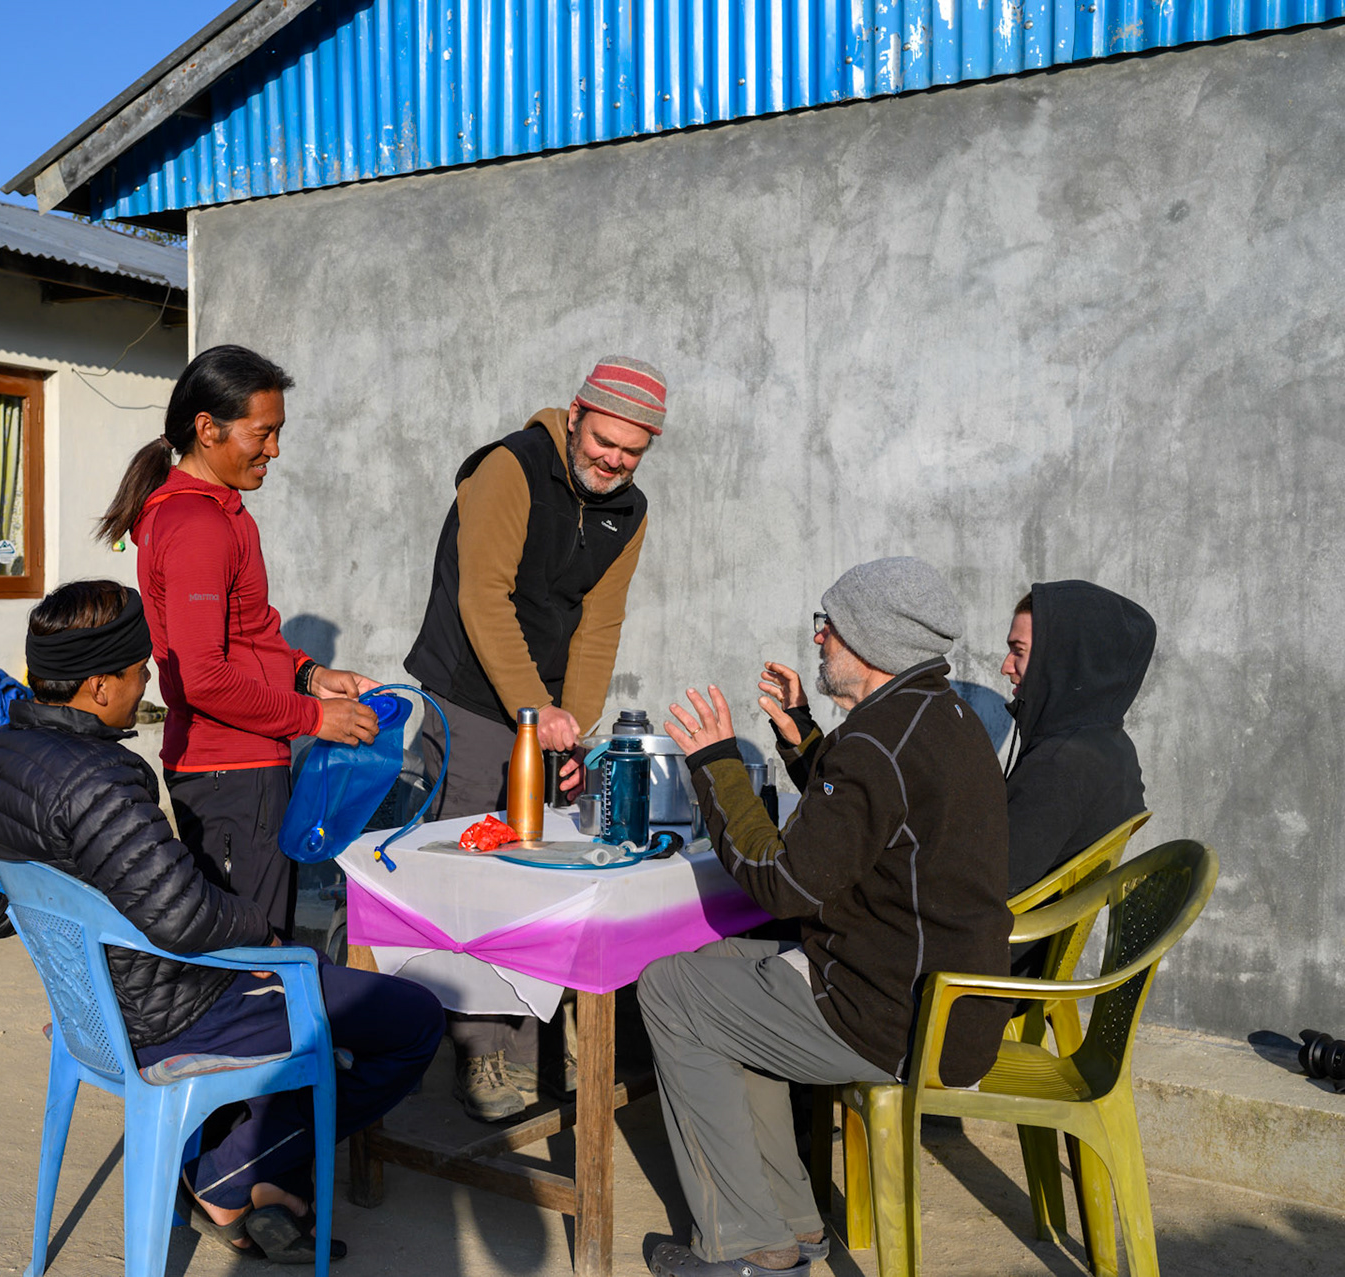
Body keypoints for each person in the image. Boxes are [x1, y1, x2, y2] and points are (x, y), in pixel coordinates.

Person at [0, 580, 443, 1264]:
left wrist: (81, 959)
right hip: (171, 1012)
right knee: (411, 1020)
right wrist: (266, 935)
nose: (148, 676)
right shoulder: (102, 778)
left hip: (94, 1007)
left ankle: (241, 1165)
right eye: (136, 667)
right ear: (96, 686)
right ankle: (227, 1175)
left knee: (313, 984)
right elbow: (183, 917)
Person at [646, 557, 1012, 1277]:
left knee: (668, 989)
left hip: (890, 1016)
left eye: (830, 627)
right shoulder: (936, 715)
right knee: (715, 971)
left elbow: (782, 883)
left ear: (871, 641)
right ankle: (792, 1224)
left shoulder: (879, 741)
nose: (818, 641)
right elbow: (868, 820)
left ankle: (745, 1246)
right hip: (930, 998)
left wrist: (716, 761)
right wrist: (805, 737)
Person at [402, 355, 666, 1122]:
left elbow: (599, 621)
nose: (612, 459)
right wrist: (530, 709)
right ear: (577, 412)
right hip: (472, 696)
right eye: (604, 440)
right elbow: (484, 596)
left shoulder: (630, 508)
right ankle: (482, 1047)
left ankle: (538, 1037)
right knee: (475, 871)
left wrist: (571, 726)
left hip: (542, 709)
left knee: (544, 873)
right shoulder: (509, 469)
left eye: (631, 449)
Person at [95, 345, 380, 941]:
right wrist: (312, 716)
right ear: (208, 430)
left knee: (249, 938)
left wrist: (309, 675)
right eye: (263, 432)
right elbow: (204, 676)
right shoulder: (197, 526)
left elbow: (243, 637)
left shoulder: (215, 512)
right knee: (252, 948)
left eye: (278, 432)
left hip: (239, 764)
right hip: (231, 770)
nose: (274, 449)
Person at [1001, 580, 1156, 898]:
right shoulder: (1112, 747)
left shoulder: (1059, 765)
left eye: (1018, 651)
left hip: (1009, 943)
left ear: (1062, 658)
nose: (1005, 667)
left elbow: (987, 889)